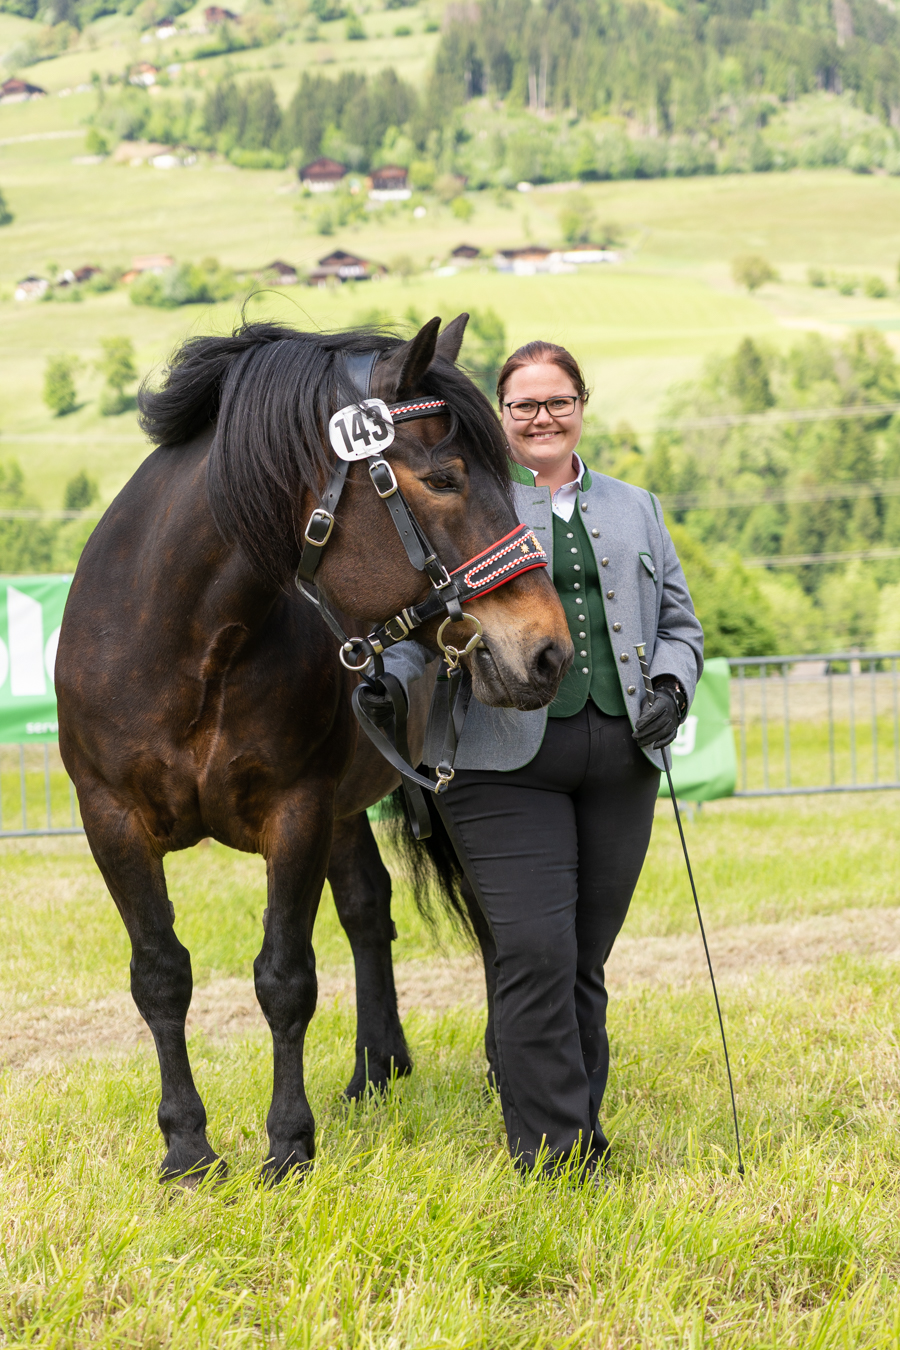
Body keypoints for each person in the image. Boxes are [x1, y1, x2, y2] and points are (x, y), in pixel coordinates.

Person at [374, 340, 703, 1179]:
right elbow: (413, 614)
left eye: (558, 401)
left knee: (583, 958)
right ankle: (556, 1155)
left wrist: (673, 683)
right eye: (524, 404)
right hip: (497, 758)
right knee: (533, 952)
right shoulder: (471, 499)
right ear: (501, 415)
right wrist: (394, 679)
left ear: (581, 406)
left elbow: (679, 623)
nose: (542, 417)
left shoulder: (636, 507)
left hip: (620, 754)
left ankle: (575, 1118)